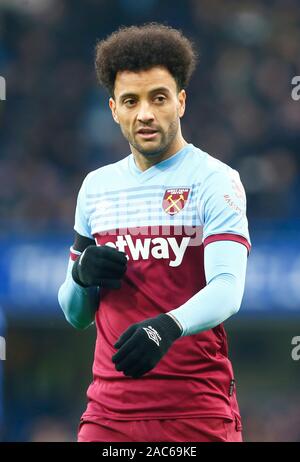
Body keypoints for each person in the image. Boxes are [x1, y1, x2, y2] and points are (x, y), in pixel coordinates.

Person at [58, 23, 251, 443]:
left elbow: (227, 288)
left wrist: (166, 326)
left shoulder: (215, 180)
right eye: (131, 100)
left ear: (180, 102)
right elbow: (75, 315)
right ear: (114, 109)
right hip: (108, 417)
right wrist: (80, 276)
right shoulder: (96, 187)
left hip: (196, 412)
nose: (145, 112)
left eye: (158, 98)